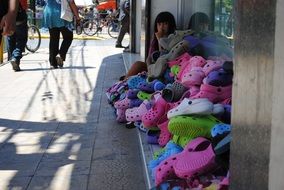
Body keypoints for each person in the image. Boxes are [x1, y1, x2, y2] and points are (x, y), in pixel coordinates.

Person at [120, 11, 176, 80]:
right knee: (138, 65)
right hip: (153, 67)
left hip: (165, 70)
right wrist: (149, 65)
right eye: (159, 24)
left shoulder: (173, 38)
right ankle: (124, 81)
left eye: (165, 24)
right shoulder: (155, 39)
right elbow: (150, 57)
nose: (162, 27)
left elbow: (163, 57)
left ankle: (125, 80)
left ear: (171, 25)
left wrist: (160, 40)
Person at [43, 0, 80, 69]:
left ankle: (53, 63)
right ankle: (61, 54)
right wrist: (77, 17)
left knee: (53, 38)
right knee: (68, 37)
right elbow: (71, 2)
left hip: (49, 13)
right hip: (61, 13)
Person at [7, 0, 28, 72]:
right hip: (20, 17)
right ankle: (15, 57)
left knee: (11, 39)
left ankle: (14, 59)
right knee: (22, 39)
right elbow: (24, 5)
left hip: (8, 17)